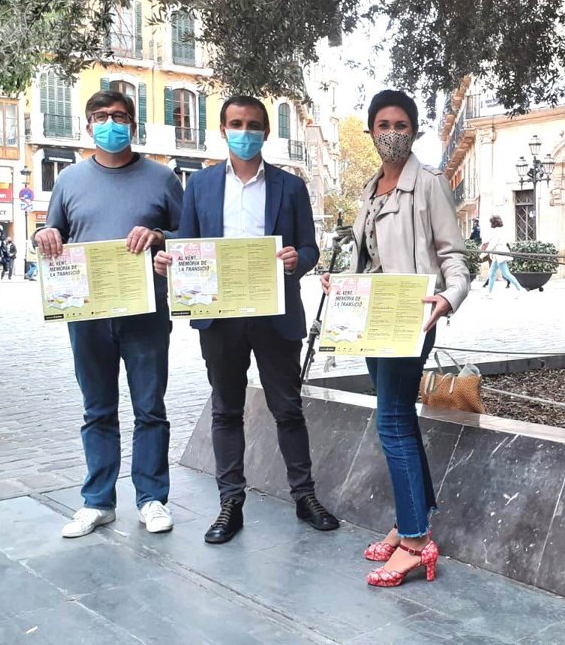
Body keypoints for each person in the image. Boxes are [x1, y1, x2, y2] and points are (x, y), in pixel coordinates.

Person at [153, 95, 339, 545]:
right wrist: (168, 258)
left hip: (275, 314)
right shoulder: (200, 185)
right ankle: (230, 504)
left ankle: (304, 497)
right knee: (226, 411)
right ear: (223, 130)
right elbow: (188, 241)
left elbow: (310, 247)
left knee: (288, 409)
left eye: (253, 125)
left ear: (266, 132)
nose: (245, 132)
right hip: (220, 317)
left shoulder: (290, 187)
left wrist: (298, 260)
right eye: (236, 124)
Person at [322, 90, 470, 587]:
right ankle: (412, 520)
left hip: (410, 317)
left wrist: (449, 296)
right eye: (383, 125)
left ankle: (415, 542)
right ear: (370, 132)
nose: (392, 133)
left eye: (401, 125)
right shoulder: (370, 188)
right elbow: (367, 257)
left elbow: (453, 254)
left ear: (415, 131)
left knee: (391, 422)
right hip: (369, 317)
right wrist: (340, 282)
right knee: (398, 418)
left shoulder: (429, 184)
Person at [33, 90, 183, 539]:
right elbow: (53, 230)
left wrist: (159, 236)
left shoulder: (162, 178)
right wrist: (44, 235)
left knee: (150, 408)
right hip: (88, 312)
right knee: (97, 409)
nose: (110, 123)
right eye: (101, 116)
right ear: (88, 126)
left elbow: (190, 236)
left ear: (133, 124)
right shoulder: (69, 180)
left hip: (146, 311)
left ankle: (152, 498)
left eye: (119, 116)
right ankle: (98, 501)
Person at [481, 215, 523, 296]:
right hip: (498, 255)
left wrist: (483, 254)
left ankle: (520, 289)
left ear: (493, 223)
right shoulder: (501, 230)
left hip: (500, 254)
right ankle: (489, 292)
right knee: (492, 273)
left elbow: (493, 244)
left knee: (506, 273)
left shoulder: (497, 231)